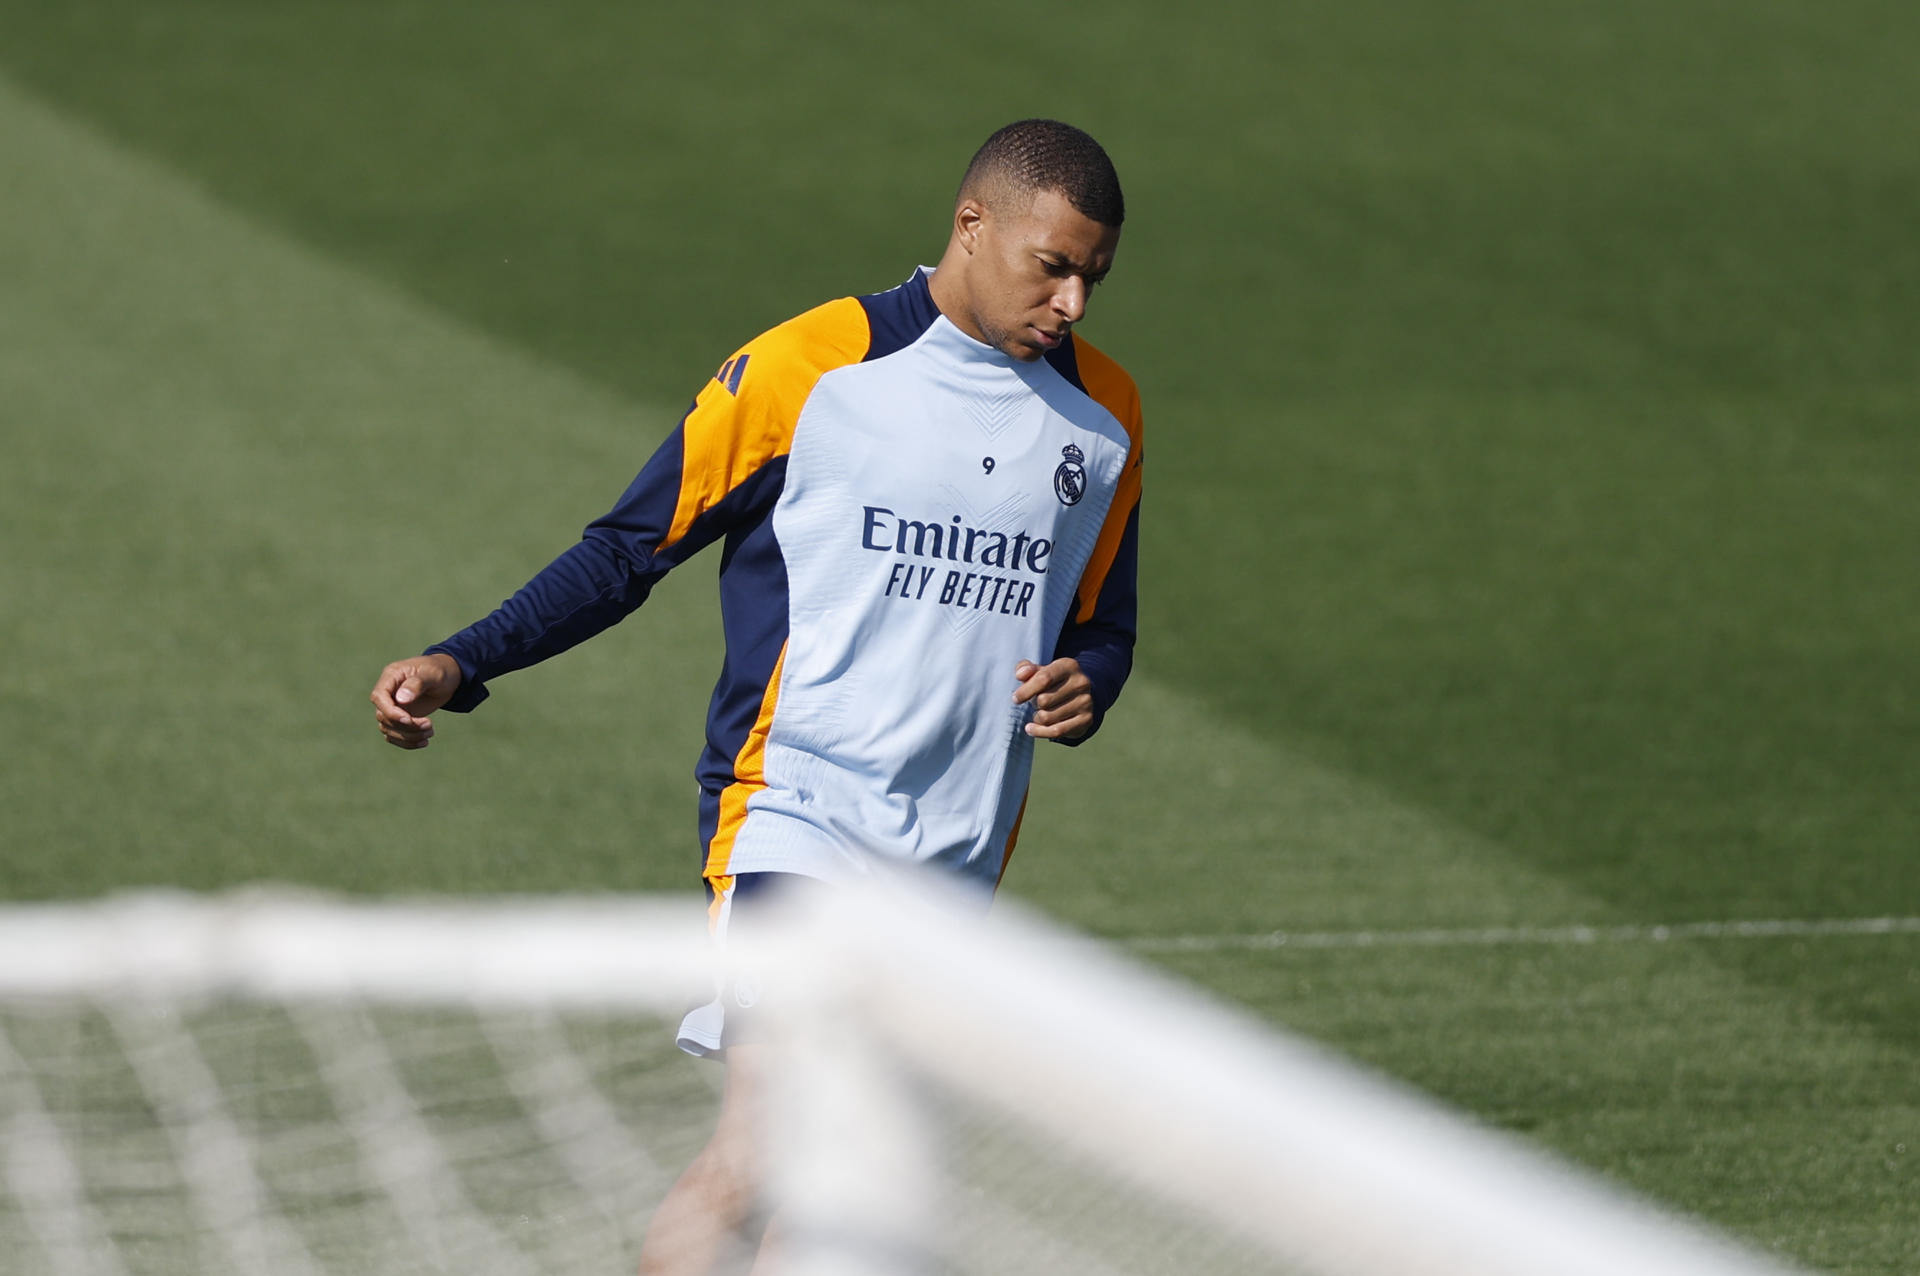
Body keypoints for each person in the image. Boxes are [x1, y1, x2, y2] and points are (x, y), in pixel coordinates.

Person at [369, 118, 1143, 1273]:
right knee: (766, 1141)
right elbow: (630, 548)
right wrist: (463, 658)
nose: (1073, 301)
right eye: (1055, 265)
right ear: (972, 225)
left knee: (832, 1189)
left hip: (956, 857)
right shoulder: (815, 365)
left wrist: (1095, 680)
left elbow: (1103, 622)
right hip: (797, 813)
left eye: (1095, 276)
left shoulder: (1107, 418)